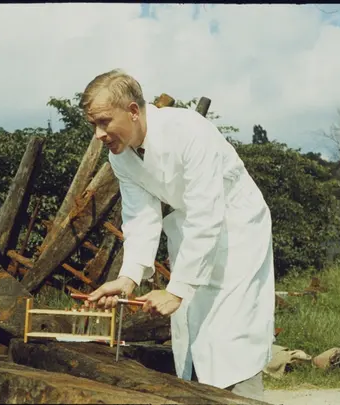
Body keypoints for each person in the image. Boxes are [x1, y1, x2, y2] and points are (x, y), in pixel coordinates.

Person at [82, 69, 275, 401]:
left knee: (232, 338)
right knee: (193, 334)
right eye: (93, 125)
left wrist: (177, 289)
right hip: (193, 231)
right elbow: (140, 217)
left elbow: (207, 213)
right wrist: (128, 277)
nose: (98, 134)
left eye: (104, 122)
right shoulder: (121, 156)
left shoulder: (189, 131)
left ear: (132, 110)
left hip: (237, 231)